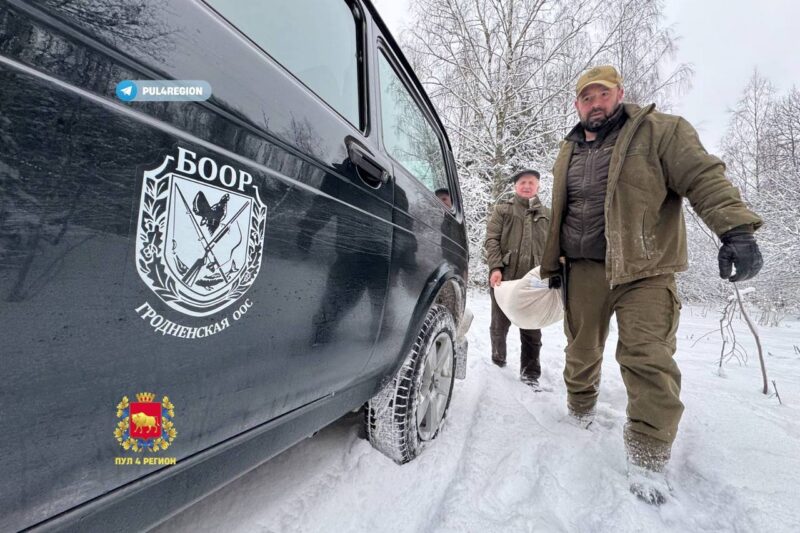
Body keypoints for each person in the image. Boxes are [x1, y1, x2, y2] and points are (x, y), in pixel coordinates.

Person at [539, 65, 763, 504]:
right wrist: (551, 263)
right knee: (580, 348)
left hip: (646, 268)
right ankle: (580, 405)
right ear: (577, 104)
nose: (595, 103)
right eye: (586, 97)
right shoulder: (568, 149)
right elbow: (564, 209)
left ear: (619, 94)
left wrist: (736, 229)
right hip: (583, 268)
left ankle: (647, 453)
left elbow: (701, 175)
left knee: (647, 356)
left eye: (602, 94)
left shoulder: (660, 131)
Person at [484, 170, 551, 389]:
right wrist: (495, 267)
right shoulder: (503, 210)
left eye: (532, 182)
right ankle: (498, 359)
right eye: (522, 182)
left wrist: (554, 272)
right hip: (504, 277)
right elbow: (491, 239)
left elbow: (555, 247)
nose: (527, 186)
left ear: (538, 187)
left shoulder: (548, 215)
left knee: (532, 327)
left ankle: (530, 373)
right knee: (499, 324)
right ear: (516, 186)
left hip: (534, 281)